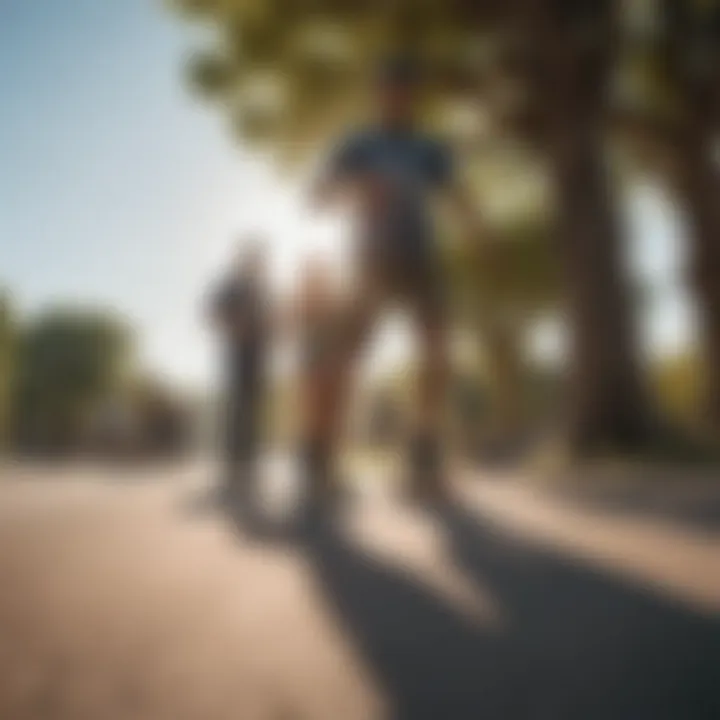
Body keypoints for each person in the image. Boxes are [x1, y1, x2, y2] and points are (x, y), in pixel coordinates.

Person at [312, 55, 485, 502]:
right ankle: (324, 462)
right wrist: (357, 190)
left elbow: (455, 192)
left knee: (438, 347)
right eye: (389, 87)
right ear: (377, 93)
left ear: (413, 97)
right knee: (344, 359)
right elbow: (318, 197)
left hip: (421, 259)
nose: (398, 96)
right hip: (370, 260)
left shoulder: (430, 148)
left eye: (406, 89)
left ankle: (423, 455)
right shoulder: (357, 145)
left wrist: (475, 226)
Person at [208, 239, 270, 504]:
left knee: (254, 408)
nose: (256, 264)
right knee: (237, 408)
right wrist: (234, 326)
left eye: (258, 260)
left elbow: (271, 318)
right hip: (236, 353)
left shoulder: (262, 289)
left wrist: (268, 328)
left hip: (259, 354)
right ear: (243, 260)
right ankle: (234, 469)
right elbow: (214, 313)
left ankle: (250, 467)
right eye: (252, 259)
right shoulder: (230, 285)